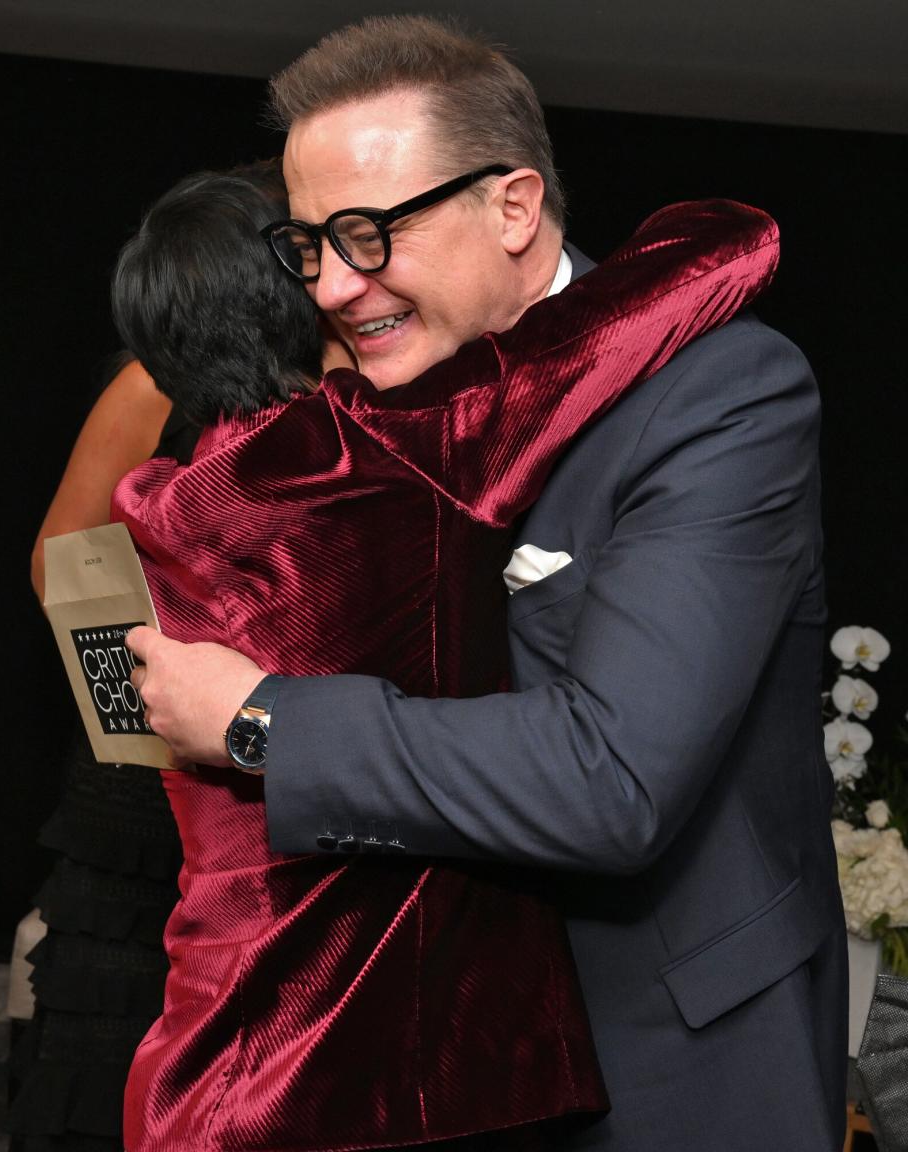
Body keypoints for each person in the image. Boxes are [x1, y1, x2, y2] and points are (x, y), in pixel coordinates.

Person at [126, 15, 848, 1151]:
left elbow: (611, 780)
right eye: (307, 245)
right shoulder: (370, 417)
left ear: (513, 207)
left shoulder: (720, 393)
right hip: (431, 1063)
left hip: (665, 1061)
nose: (331, 285)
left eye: (368, 234)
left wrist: (261, 720)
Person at [11, 357, 189, 1152]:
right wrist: (152, 695)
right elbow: (61, 561)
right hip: (144, 794)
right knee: (107, 1070)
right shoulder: (163, 379)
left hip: (307, 787)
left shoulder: (402, 358)